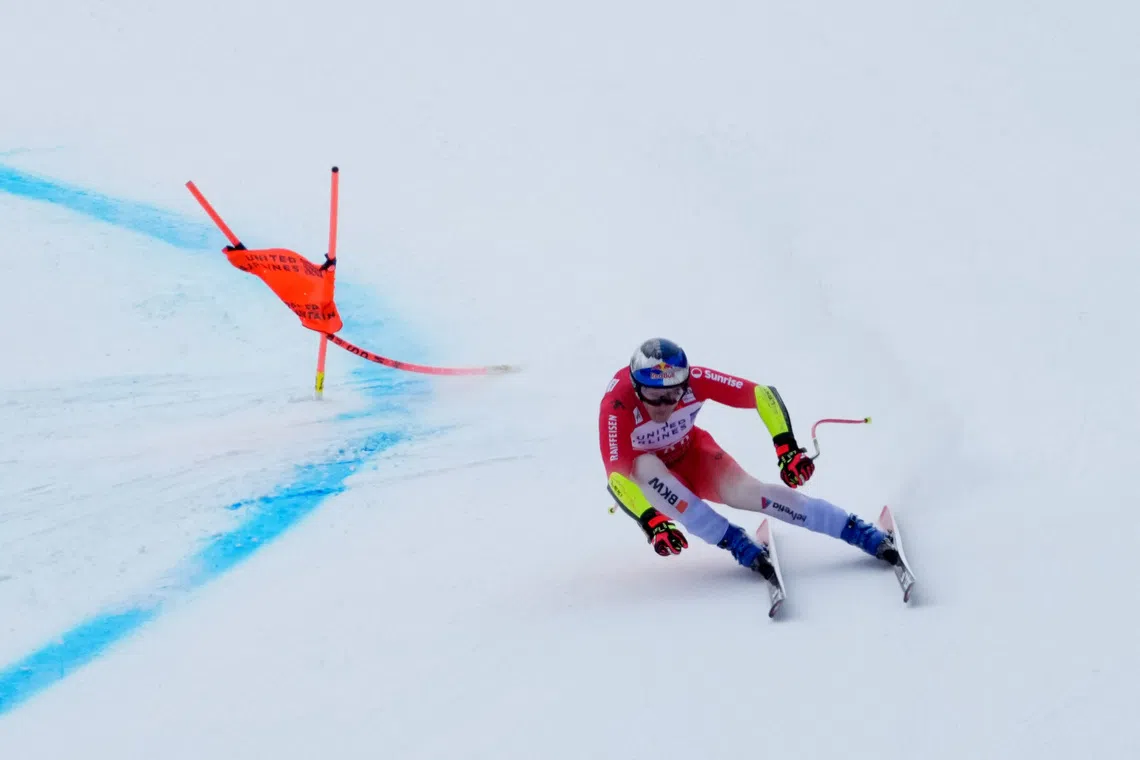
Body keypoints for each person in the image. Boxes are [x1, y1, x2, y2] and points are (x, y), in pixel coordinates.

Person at [599, 338, 900, 579]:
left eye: (673, 395)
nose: (664, 405)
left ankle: (855, 530)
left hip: (695, 457)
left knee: (751, 495)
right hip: (653, 484)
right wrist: (651, 521)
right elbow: (617, 478)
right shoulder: (617, 405)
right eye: (654, 395)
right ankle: (734, 540)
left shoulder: (696, 380)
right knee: (644, 466)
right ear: (637, 387)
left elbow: (761, 394)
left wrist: (787, 448)